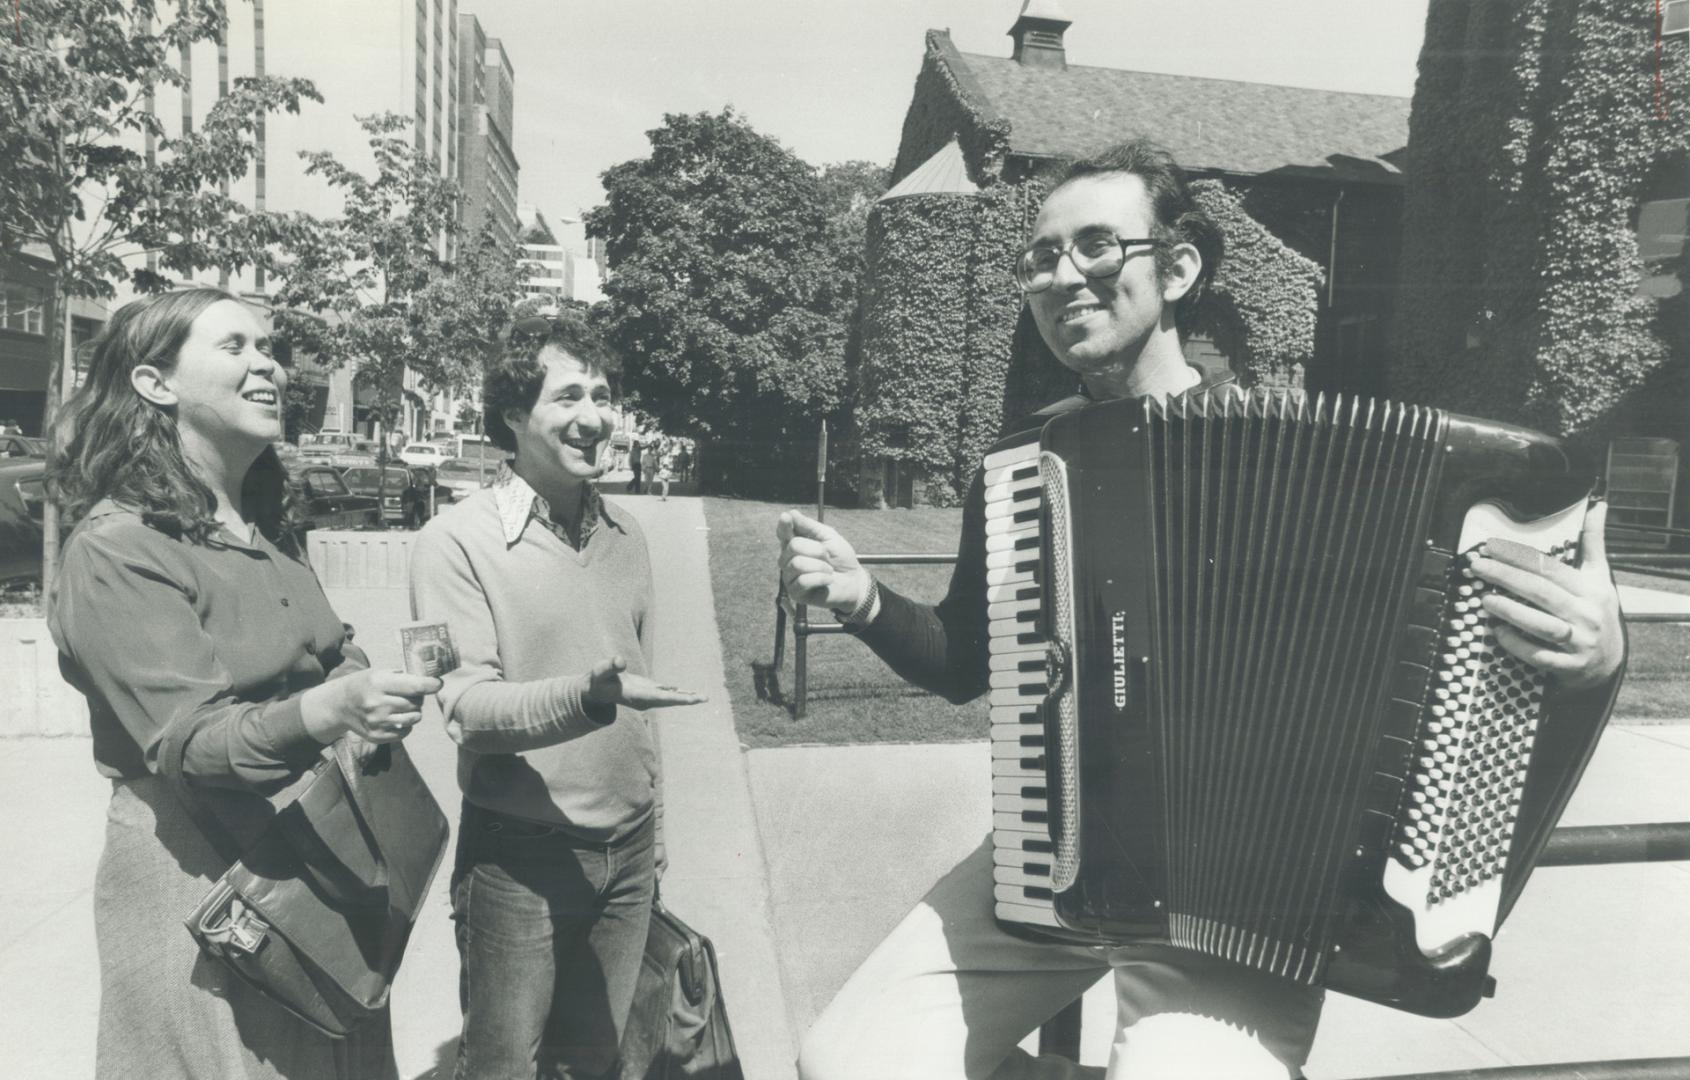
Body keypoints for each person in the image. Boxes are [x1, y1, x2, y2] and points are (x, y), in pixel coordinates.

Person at [778, 138, 1627, 1080]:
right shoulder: (1022, 472)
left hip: (1249, 909)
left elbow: (1475, 672)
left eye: (1099, 246)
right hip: (1052, 857)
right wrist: (861, 599)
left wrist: (1596, 658)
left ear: (1178, 268)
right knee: (850, 1058)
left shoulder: (1311, 460)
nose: (1064, 276)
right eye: (1042, 257)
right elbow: (961, 663)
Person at [46, 288, 440, 1080]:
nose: (269, 363)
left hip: (312, 856)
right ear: (157, 384)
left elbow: (326, 653)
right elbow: (190, 744)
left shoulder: (261, 528)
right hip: (198, 875)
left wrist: (361, 688)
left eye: (270, 347)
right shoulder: (117, 547)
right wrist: (325, 709)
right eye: (235, 346)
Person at [409, 312, 705, 1078]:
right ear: (514, 413)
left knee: (602, 1065)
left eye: (602, 395)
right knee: (505, 1067)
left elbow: (646, 703)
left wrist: (658, 831)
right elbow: (466, 710)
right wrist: (587, 696)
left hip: (630, 855)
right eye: (568, 395)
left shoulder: (627, 535)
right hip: (517, 866)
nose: (595, 417)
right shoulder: (455, 541)